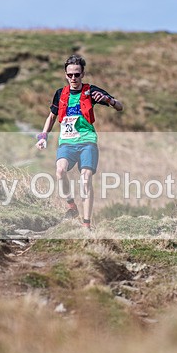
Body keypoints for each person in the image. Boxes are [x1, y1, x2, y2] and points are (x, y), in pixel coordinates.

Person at [36, 54, 123, 230]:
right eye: (70, 75)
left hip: (87, 141)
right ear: (65, 75)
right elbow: (52, 116)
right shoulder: (60, 93)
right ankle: (71, 206)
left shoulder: (91, 91)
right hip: (67, 142)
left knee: (85, 180)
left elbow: (119, 106)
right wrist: (43, 135)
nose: (73, 78)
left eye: (77, 74)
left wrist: (109, 100)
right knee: (60, 171)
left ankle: (86, 224)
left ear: (83, 74)